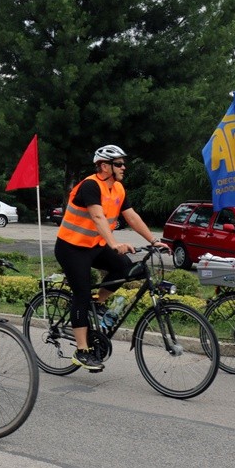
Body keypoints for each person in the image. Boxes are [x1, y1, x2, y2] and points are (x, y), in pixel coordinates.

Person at [54, 144, 165, 372]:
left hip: (95, 245)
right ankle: (82, 350)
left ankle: (99, 301)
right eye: (119, 163)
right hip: (71, 248)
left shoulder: (118, 189)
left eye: (124, 163)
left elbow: (131, 217)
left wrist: (153, 240)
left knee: (125, 268)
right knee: (81, 293)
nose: (124, 167)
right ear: (104, 166)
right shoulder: (90, 186)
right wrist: (114, 243)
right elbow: (96, 216)